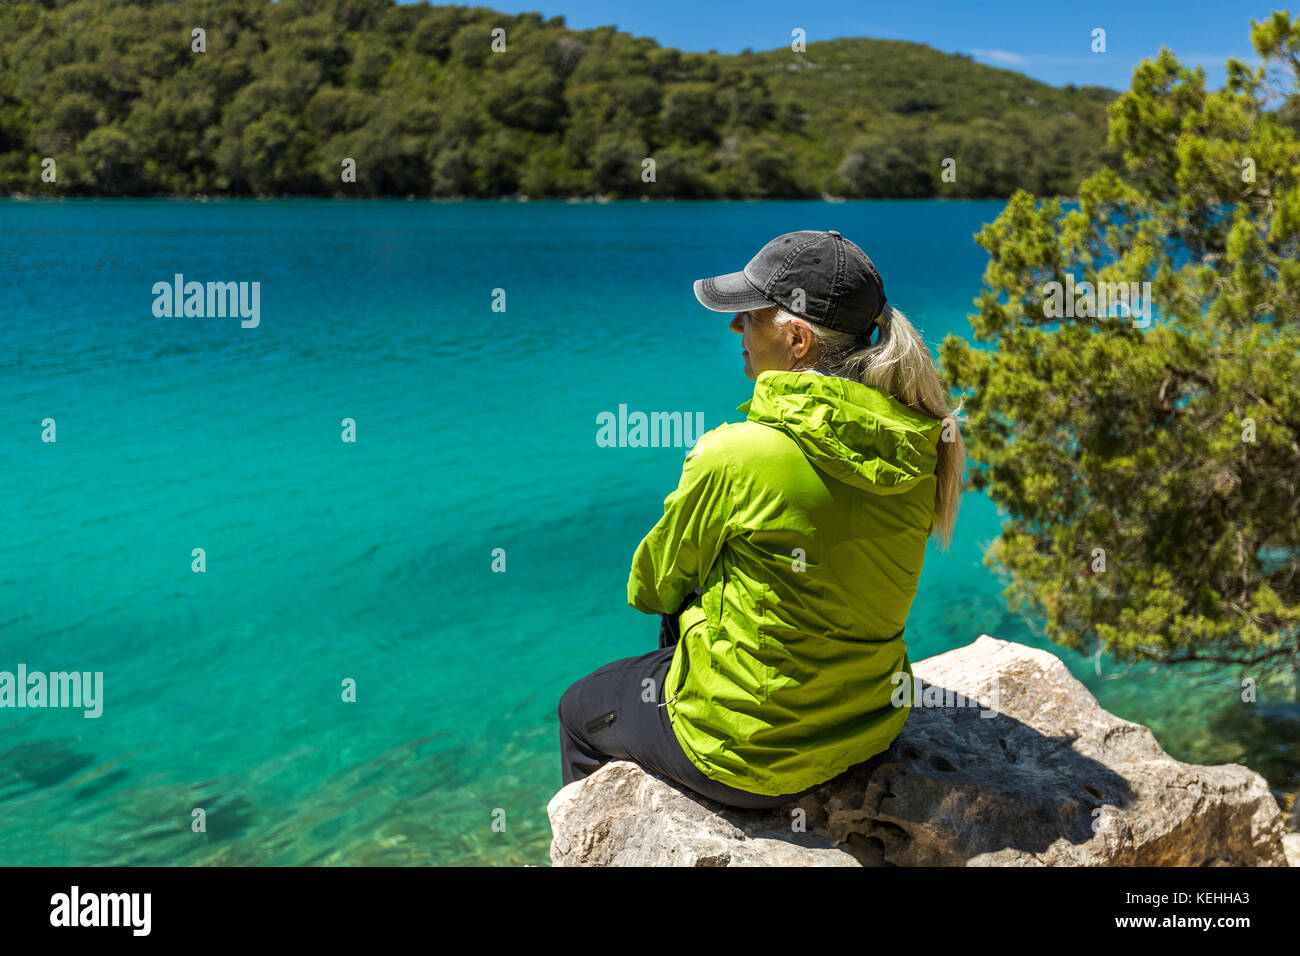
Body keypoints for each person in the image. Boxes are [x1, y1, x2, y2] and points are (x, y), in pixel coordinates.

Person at [557, 229, 966, 809]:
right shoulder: (919, 445)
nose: (734, 328)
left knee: (578, 709)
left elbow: (652, 587)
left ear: (797, 338)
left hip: (747, 758)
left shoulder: (737, 453)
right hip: (871, 727)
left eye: (748, 315)